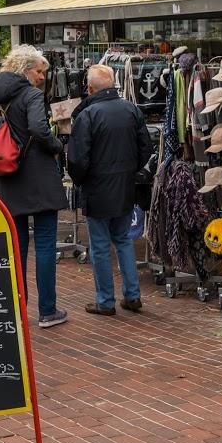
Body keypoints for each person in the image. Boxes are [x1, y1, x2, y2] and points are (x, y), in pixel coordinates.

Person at [0, 45, 68, 329]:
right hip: (38, 177)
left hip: (8, 179)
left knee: (16, 248)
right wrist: (56, 146)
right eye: (39, 71)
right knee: (44, 244)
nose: (42, 77)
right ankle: (47, 311)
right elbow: (39, 130)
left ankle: (18, 309)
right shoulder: (31, 94)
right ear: (25, 69)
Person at [67, 64, 153, 316]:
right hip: (124, 186)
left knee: (100, 246)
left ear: (90, 88)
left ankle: (105, 301)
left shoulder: (87, 115)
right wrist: (129, 170)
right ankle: (132, 294)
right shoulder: (131, 110)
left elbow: (77, 158)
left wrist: (81, 179)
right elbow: (145, 147)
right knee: (124, 240)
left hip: (97, 188)